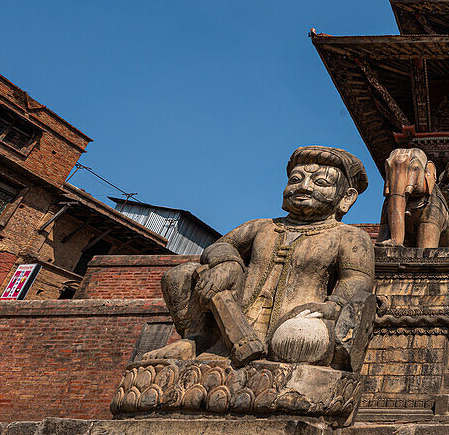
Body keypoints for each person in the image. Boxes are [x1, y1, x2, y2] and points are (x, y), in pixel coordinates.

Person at [143, 145, 375, 368]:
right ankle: (197, 339)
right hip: (235, 314)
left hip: (297, 318)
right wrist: (227, 263)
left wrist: (333, 306)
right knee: (181, 274)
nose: (304, 187)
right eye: (295, 179)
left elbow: (356, 280)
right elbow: (219, 246)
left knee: (299, 338)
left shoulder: (349, 236)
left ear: (347, 197)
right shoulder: (262, 226)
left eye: (320, 182)